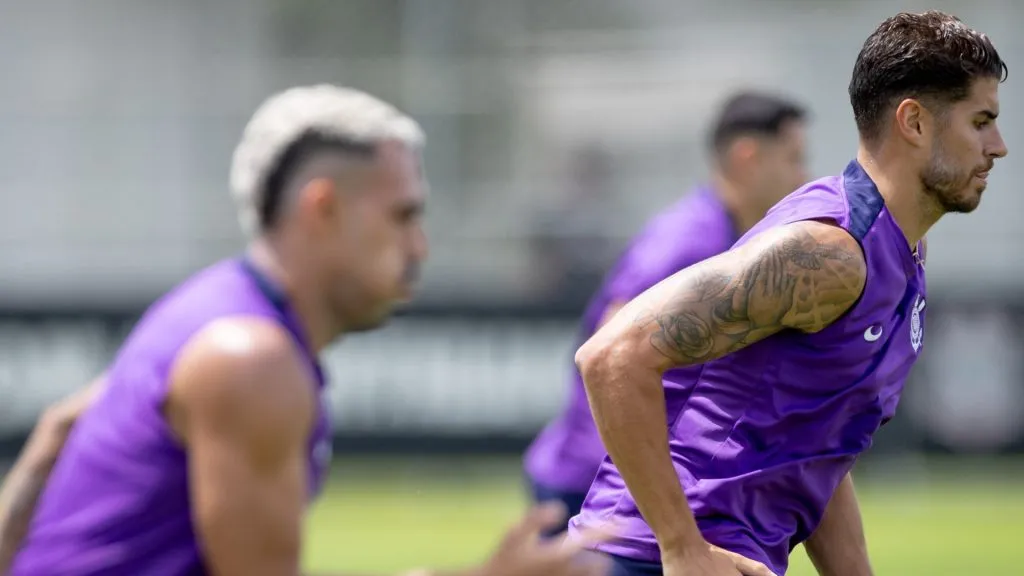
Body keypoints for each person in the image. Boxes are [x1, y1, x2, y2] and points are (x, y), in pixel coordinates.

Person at [0, 85, 613, 576]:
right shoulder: (250, 359)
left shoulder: (207, 309)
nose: (419, 246)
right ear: (323, 208)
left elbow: (59, 428)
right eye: (402, 216)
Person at [568, 11, 1007, 576]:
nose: (998, 146)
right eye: (981, 121)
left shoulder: (902, 249)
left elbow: (818, 439)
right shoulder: (829, 252)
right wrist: (681, 546)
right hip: (650, 558)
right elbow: (611, 356)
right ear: (914, 122)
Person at [523, 91, 810, 534]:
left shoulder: (731, 236)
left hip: (621, 480)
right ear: (747, 157)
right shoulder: (690, 243)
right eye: (793, 159)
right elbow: (609, 350)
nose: (804, 177)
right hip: (595, 486)